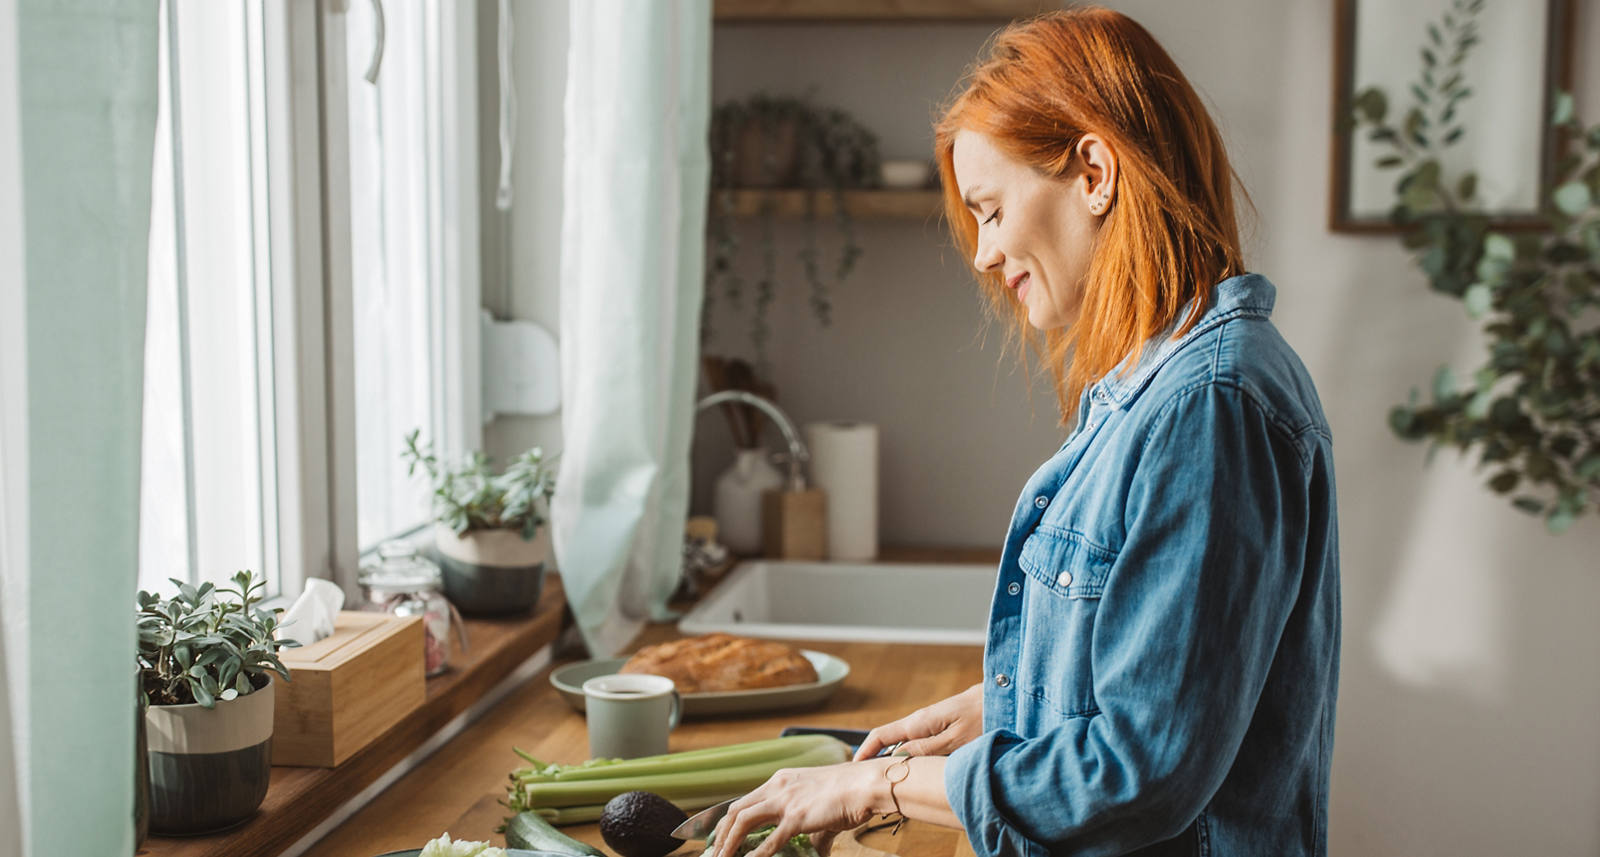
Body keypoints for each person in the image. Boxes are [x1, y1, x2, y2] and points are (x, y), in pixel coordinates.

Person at [708, 7, 1339, 857]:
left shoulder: (1209, 405)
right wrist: (1004, 710)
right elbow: (1157, 688)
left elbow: (1139, 770)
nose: (979, 252)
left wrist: (875, 782)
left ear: (1093, 172)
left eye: (990, 209)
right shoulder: (1159, 385)